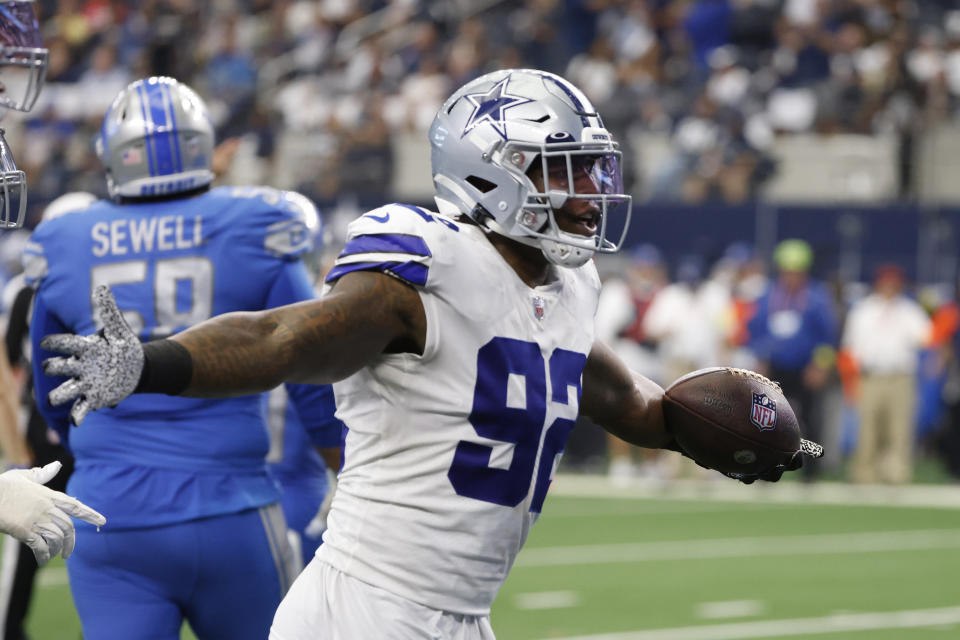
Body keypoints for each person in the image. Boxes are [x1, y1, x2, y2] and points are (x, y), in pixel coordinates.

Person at [38, 69, 817, 639]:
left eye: (592, 167)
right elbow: (282, 339)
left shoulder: (569, 288)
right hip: (365, 610)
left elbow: (630, 403)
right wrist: (153, 362)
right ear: (491, 172)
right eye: (563, 169)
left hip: (459, 616)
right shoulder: (425, 271)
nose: (589, 190)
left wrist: (743, 433)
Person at [26, 76, 341, 640]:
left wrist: (85, 455)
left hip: (112, 516)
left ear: (114, 158)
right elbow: (309, 367)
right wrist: (345, 463)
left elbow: (53, 389)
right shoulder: (257, 223)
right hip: (234, 508)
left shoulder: (64, 240)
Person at [1, 191, 95, 640]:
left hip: (89, 434)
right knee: (27, 531)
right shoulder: (27, 291)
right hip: (52, 433)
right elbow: (10, 368)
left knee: (100, 539)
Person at [747, 238, 836, 481]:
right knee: (767, 418)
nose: (791, 277)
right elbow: (756, 331)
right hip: (775, 366)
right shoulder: (767, 296)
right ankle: (767, 467)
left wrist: (820, 366)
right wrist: (760, 359)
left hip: (806, 367)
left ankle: (811, 473)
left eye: (796, 272)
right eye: (787, 271)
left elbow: (827, 337)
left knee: (809, 420)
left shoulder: (817, 298)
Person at [842, 264, 931, 484]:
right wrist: (850, 381)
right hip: (870, 376)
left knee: (899, 428)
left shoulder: (909, 310)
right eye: (886, 283)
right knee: (868, 427)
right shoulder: (863, 311)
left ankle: (896, 475)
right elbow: (850, 348)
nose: (890, 287)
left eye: (894, 283)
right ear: (878, 284)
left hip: (899, 377)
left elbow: (927, 337)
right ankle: (864, 474)